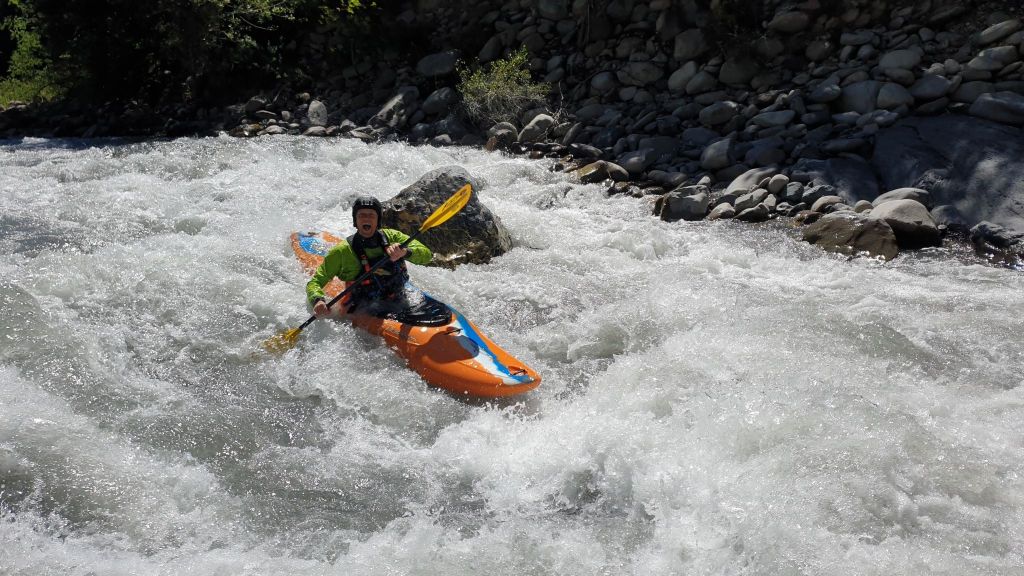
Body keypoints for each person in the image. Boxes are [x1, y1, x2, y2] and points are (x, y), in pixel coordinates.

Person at [306, 196, 432, 317]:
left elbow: (427, 255)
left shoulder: (393, 237)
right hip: (362, 306)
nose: (367, 219)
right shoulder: (342, 251)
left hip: (399, 296)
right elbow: (315, 282)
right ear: (355, 221)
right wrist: (318, 300)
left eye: (371, 215)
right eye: (361, 215)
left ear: (378, 220)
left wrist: (405, 252)